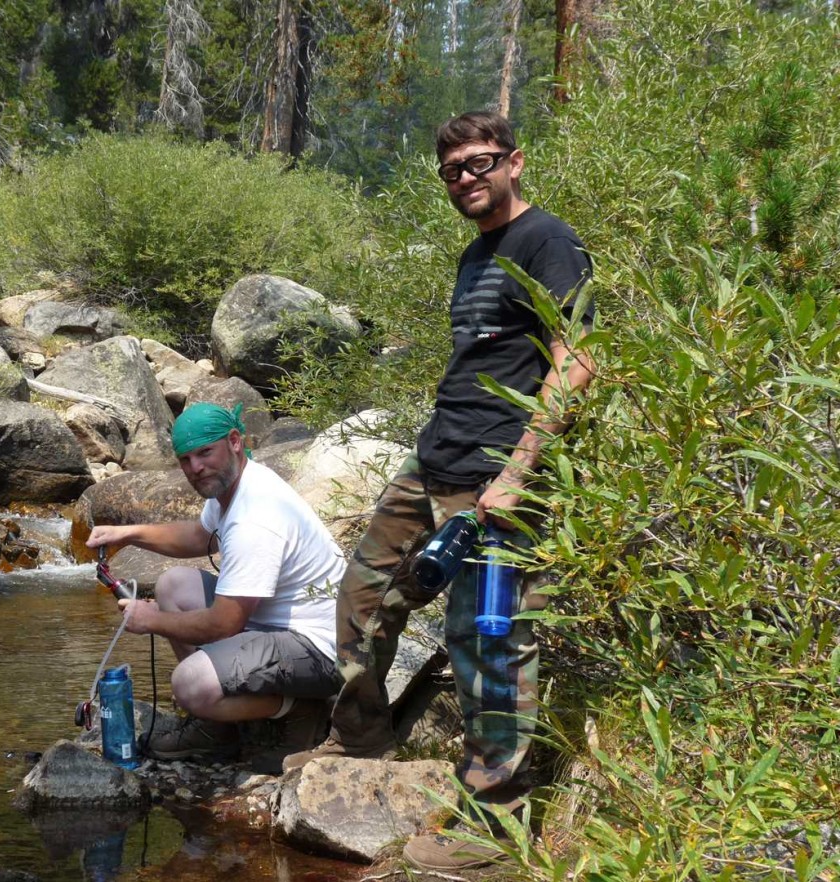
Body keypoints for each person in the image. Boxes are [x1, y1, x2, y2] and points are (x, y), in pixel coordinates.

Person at [282, 110, 595, 872]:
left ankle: (493, 823)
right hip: (434, 464)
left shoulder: (547, 242)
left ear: (514, 163)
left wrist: (518, 476)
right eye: (453, 170)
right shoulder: (474, 255)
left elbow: (579, 361)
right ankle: (362, 737)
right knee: (359, 599)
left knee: (487, 642)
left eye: (480, 163)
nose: (466, 179)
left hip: (499, 480)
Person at [86, 402, 346, 769]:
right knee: (174, 584)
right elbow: (199, 536)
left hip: (319, 649)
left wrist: (150, 620)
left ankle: (300, 711)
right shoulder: (237, 485)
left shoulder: (255, 518)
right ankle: (215, 725)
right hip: (277, 628)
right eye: (186, 459)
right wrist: (129, 534)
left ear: (235, 442)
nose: (196, 468)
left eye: (205, 452)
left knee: (189, 684)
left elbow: (224, 624)